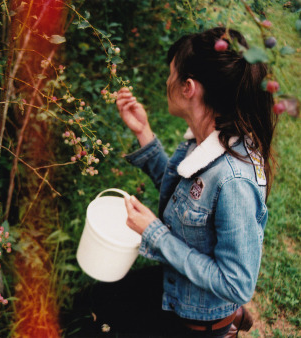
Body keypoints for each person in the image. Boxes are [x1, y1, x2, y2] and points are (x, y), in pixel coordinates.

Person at [69, 27, 277, 337]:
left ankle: (224, 325)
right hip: (175, 284)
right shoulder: (206, 139)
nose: (168, 81)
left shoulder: (234, 180)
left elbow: (237, 283)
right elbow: (186, 200)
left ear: (188, 87)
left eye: (171, 74)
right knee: (93, 300)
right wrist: (144, 134)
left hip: (192, 318)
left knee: (98, 327)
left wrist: (155, 234)